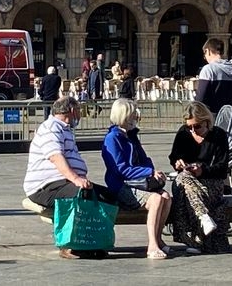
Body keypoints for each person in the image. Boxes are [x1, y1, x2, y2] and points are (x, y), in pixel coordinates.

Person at [23, 96, 116, 260]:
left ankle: (93, 241)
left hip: (62, 183)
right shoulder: (51, 127)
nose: (80, 115)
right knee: (82, 194)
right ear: (72, 111)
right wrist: (76, 179)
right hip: (45, 186)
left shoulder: (65, 130)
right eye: (79, 110)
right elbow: (55, 156)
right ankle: (71, 244)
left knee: (107, 196)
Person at [101, 99, 172, 259]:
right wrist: (148, 171)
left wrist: (153, 172)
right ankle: (152, 245)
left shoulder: (131, 136)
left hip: (137, 182)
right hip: (121, 185)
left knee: (166, 197)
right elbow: (121, 169)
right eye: (133, 114)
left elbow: (144, 159)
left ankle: (158, 238)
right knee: (155, 199)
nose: (136, 117)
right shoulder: (112, 138)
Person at [168, 101, 230, 254]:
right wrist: (178, 163)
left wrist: (203, 170)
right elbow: (174, 157)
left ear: (206, 122)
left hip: (211, 181)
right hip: (188, 179)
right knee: (183, 178)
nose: (193, 130)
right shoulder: (183, 133)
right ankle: (203, 217)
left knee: (184, 185)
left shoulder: (218, 135)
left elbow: (222, 167)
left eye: (197, 126)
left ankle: (195, 239)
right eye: (189, 126)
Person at [194, 38, 232, 119]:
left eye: (204, 53)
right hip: (230, 119)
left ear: (208, 51)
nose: (204, 57)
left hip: (212, 118)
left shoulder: (208, 69)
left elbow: (200, 100)